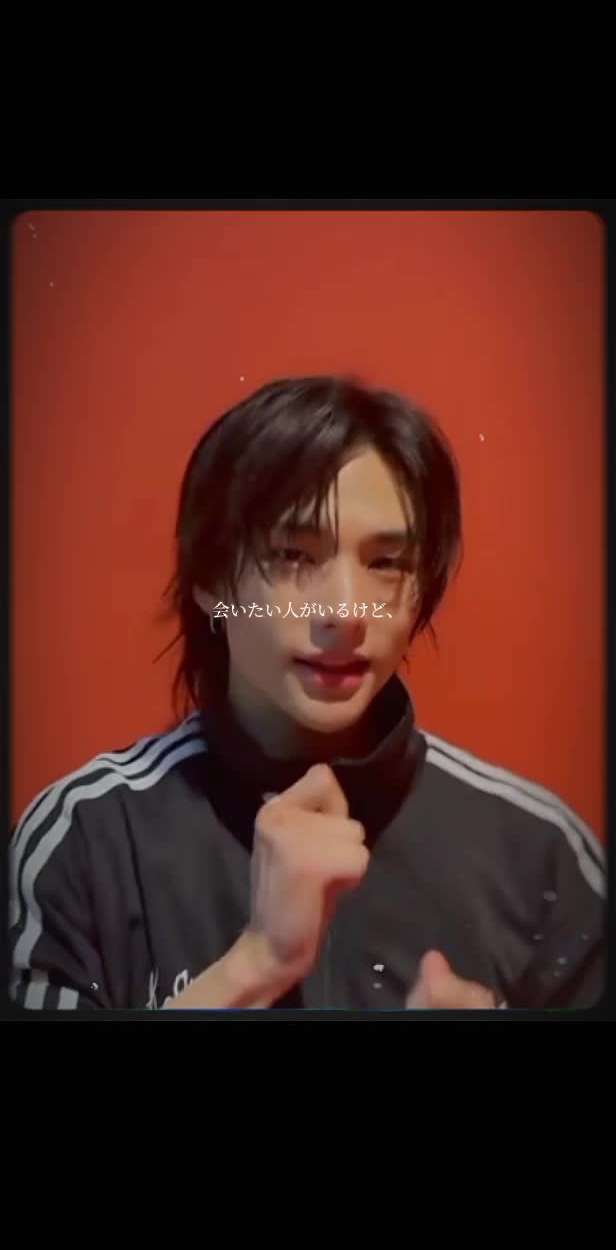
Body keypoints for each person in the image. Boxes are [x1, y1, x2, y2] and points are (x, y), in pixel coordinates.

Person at [9, 375, 606, 1012]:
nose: (345, 611)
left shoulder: (540, 855)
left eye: (386, 563)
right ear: (211, 581)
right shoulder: (88, 841)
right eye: (293, 555)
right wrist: (255, 965)